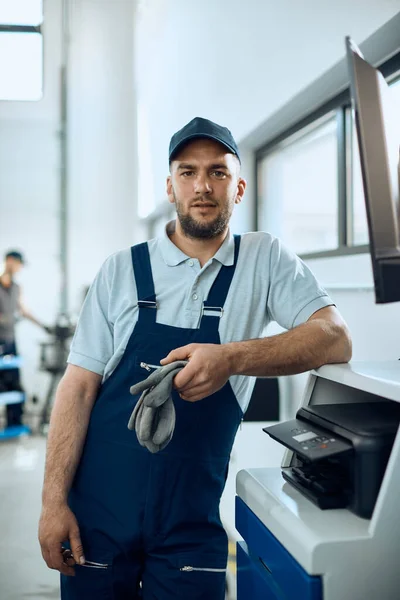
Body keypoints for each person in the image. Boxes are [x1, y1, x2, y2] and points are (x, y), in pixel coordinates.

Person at [38, 117, 352, 599]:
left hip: (191, 519)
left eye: (217, 172)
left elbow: (334, 338)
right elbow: (78, 387)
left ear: (239, 187)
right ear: (170, 185)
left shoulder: (265, 260)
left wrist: (230, 357)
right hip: (98, 515)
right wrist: (52, 501)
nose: (202, 186)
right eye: (188, 172)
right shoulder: (121, 270)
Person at [0, 250, 50, 427]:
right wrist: (6, 319)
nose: (20, 268)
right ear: (10, 261)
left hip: (10, 341)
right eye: (19, 264)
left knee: (13, 382)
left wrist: (44, 326)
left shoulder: (16, 287)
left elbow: (24, 310)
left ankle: (14, 424)